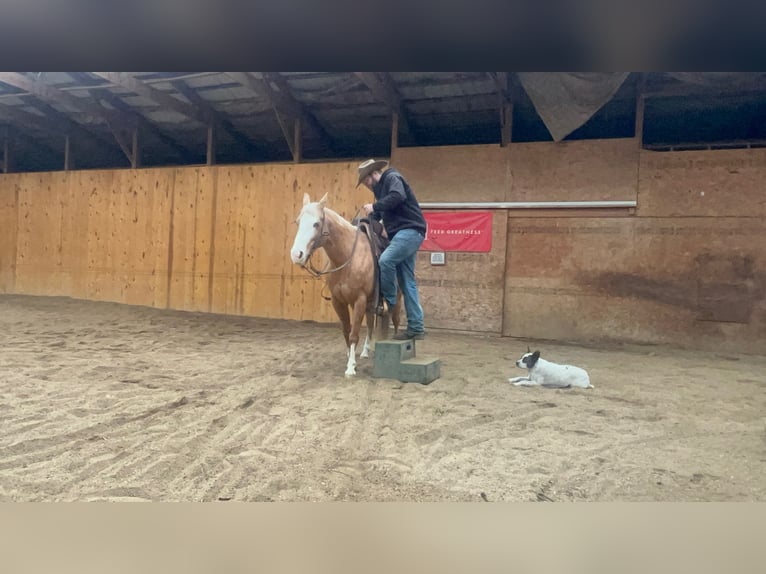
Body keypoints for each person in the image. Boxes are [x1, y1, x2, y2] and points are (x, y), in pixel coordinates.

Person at [357, 159, 427, 340]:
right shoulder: (381, 191)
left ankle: (389, 302)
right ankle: (416, 327)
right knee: (407, 282)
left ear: (373, 174)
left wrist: (374, 206)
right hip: (407, 233)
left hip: (409, 231)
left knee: (386, 260)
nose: (366, 185)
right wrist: (372, 214)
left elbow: (398, 196)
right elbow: (383, 211)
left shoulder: (391, 177)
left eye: (366, 180)